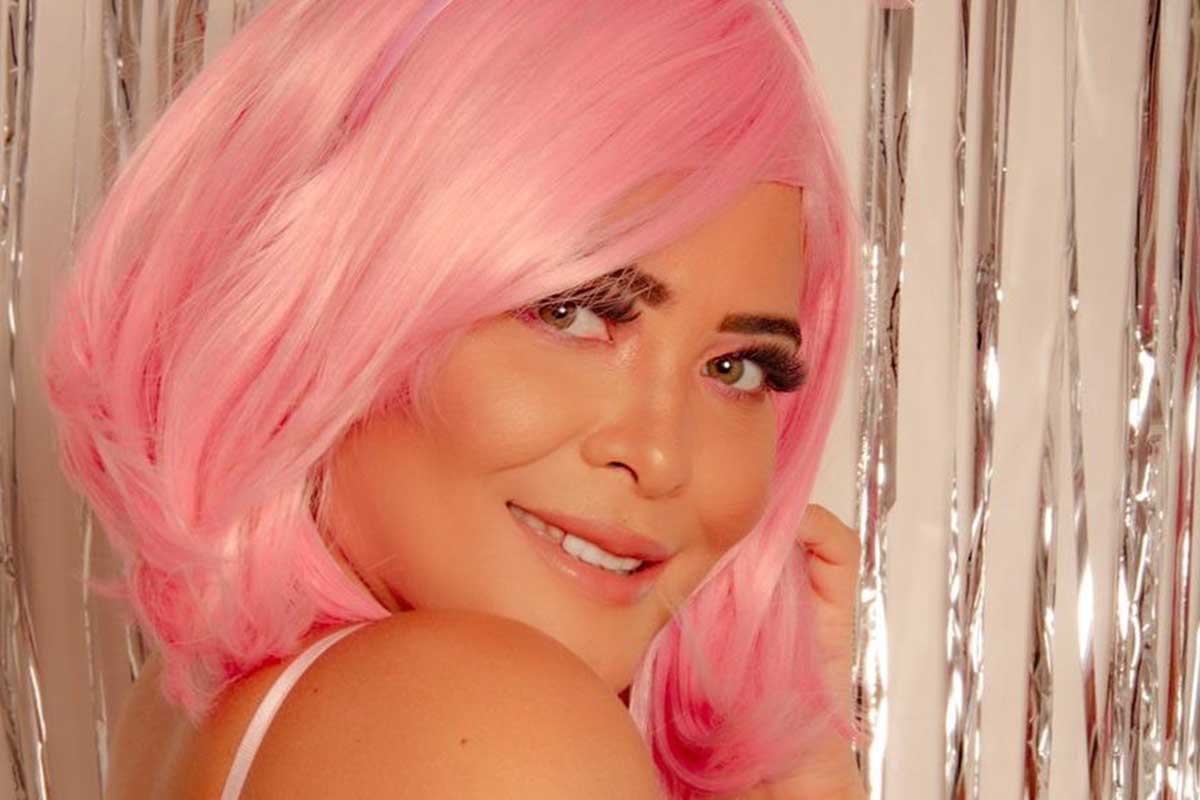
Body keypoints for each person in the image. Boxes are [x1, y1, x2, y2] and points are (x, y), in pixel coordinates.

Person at [41, 0, 863, 797]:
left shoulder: (209, 711)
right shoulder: (496, 725)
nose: (659, 455)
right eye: (572, 314)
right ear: (336, 299)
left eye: (737, 369)